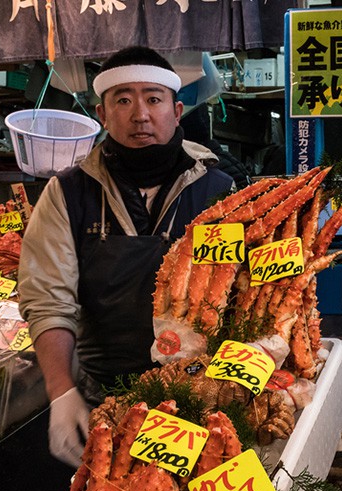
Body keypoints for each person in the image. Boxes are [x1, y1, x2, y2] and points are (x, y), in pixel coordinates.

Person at [19, 46, 235, 466]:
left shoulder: (221, 191)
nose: (140, 114)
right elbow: (48, 301)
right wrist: (62, 392)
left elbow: (244, 294)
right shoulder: (67, 193)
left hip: (205, 397)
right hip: (106, 396)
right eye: (124, 99)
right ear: (102, 113)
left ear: (176, 110)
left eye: (153, 99)